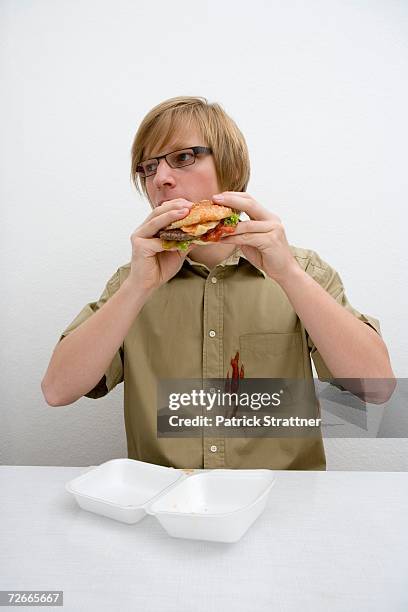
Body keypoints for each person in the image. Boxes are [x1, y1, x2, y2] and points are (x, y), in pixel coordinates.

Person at [41, 96, 395, 470]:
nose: (160, 179)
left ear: (229, 166)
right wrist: (135, 288)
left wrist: (289, 275)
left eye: (182, 157)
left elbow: (376, 390)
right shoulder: (134, 282)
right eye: (148, 168)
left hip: (281, 505)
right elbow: (57, 391)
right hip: (166, 506)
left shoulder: (302, 270)